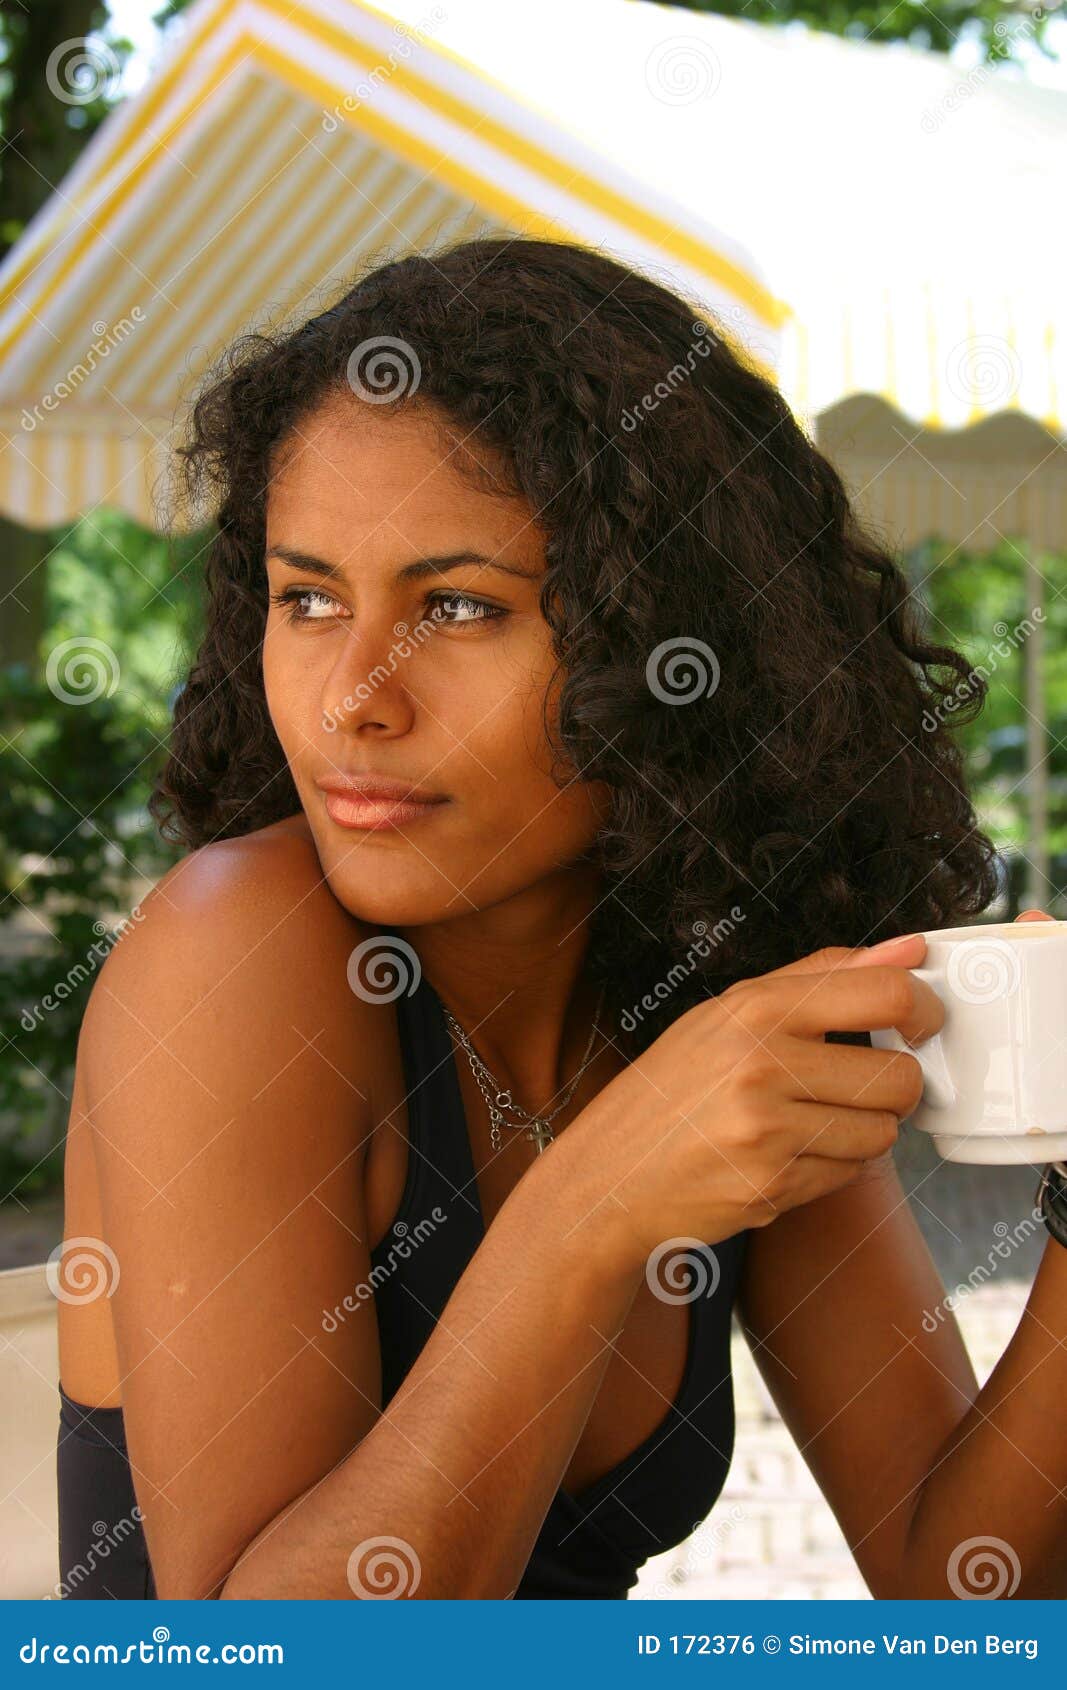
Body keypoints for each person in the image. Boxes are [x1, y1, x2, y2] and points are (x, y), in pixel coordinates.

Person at [55, 235, 1064, 1603]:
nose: (354, 696)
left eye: (457, 605)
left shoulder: (704, 978)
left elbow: (973, 1593)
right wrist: (598, 1202)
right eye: (308, 599)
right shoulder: (238, 952)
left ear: (673, 651)